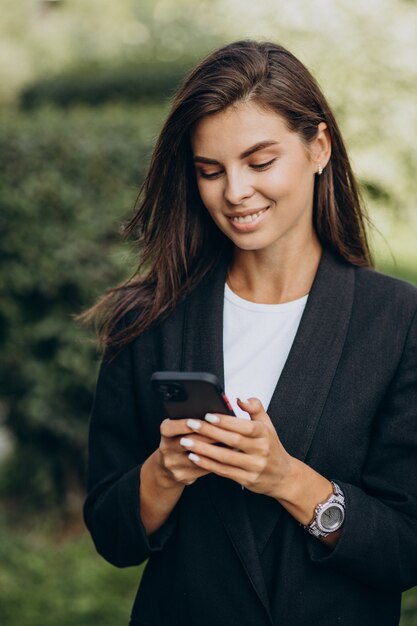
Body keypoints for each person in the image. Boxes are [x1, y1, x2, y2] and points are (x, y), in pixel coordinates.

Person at [83, 40, 417, 626]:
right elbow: (112, 537)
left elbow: (406, 547)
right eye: (210, 170)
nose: (234, 192)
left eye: (259, 163)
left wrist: (287, 479)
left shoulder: (397, 321)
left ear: (319, 147)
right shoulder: (147, 317)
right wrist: (164, 472)